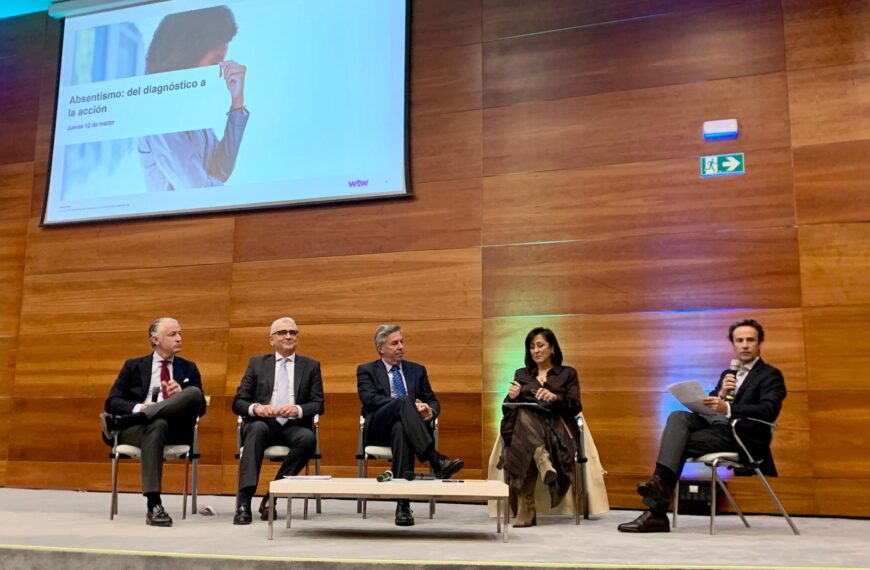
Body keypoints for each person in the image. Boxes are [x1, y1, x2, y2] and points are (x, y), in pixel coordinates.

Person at [617, 318, 787, 533]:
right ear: (733, 344)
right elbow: (713, 403)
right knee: (678, 416)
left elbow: (768, 410)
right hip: (717, 428)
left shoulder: (770, 375)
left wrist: (727, 407)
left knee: (677, 443)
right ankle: (658, 491)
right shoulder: (728, 374)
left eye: (750, 340)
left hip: (743, 437)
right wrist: (721, 394)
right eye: (739, 340)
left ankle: (657, 506)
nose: (744, 345)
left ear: (759, 343)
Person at [99, 317, 207, 527]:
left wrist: (180, 394)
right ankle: (154, 503)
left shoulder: (189, 368)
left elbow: (200, 408)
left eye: (180, 334)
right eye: (172, 334)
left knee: (193, 392)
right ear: (155, 339)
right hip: (139, 431)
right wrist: (140, 407)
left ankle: (127, 421)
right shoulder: (133, 366)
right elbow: (112, 402)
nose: (179, 338)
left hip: (175, 429)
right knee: (157, 425)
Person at [357, 324, 464, 526]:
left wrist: (429, 410)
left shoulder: (417, 370)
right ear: (380, 348)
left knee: (401, 429)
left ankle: (403, 506)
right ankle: (435, 459)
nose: (400, 347)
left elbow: (433, 401)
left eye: (402, 342)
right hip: (379, 428)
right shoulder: (366, 370)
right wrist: (405, 404)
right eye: (394, 343)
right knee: (405, 401)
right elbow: (369, 401)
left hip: (409, 430)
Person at [138, 5, 249, 191]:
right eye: (216, 61)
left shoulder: (190, 110)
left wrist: (237, 101)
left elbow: (220, 170)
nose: (221, 71)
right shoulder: (160, 115)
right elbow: (197, 189)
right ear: (188, 55)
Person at [231, 317, 325, 525]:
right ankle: (244, 503)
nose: (288, 336)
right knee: (255, 431)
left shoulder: (310, 366)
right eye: (282, 332)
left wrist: (297, 409)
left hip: (292, 425)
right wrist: (257, 408)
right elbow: (238, 402)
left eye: (293, 332)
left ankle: (272, 495)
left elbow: (318, 404)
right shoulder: (257, 364)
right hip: (263, 423)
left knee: (308, 439)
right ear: (271, 340)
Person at [498, 327, 581, 527]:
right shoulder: (522, 374)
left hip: (556, 430)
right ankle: (542, 460)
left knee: (523, 433)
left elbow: (575, 406)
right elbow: (507, 409)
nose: (535, 350)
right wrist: (512, 397)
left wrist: (555, 398)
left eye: (540, 345)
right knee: (524, 415)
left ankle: (526, 505)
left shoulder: (567, 373)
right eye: (532, 347)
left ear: (552, 348)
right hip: (527, 430)